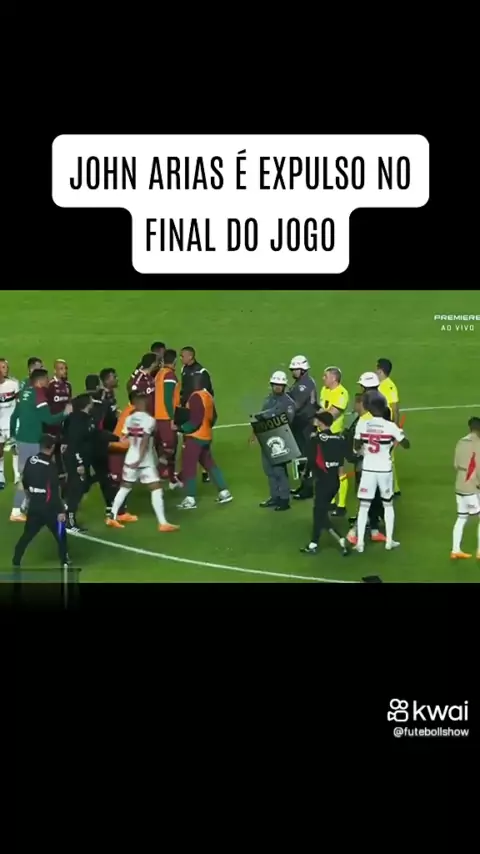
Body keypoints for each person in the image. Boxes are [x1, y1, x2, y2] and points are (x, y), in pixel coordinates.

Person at [107, 392, 179, 532]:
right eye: (145, 401)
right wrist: (140, 459)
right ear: (140, 403)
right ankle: (163, 523)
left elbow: (123, 437)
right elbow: (145, 441)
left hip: (130, 458)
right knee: (156, 488)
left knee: (125, 487)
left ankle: (112, 516)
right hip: (144, 461)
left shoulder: (129, 419)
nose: (147, 402)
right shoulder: (149, 420)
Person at [9, 369, 72, 521]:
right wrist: (65, 413)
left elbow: (14, 417)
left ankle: (26, 505)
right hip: (33, 441)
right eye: (46, 379)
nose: (48, 381)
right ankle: (17, 510)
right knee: (34, 474)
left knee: (29, 473)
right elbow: (49, 419)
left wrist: (13, 437)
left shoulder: (24, 393)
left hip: (22, 439)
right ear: (39, 381)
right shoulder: (39, 395)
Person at [353, 395, 410, 553]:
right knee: (388, 504)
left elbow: (356, 446)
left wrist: (365, 449)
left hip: (368, 469)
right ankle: (389, 541)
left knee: (364, 506)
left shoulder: (362, 424)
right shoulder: (390, 426)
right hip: (384, 470)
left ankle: (360, 543)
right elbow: (406, 445)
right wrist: (397, 436)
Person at [12, 434, 72, 571]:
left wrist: (29, 498)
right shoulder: (51, 467)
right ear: (52, 447)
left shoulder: (30, 460)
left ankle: (16, 559)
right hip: (49, 508)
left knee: (27, 535)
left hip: (35, 506)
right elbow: (54, 492)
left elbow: (25, 482)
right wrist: (61, 511)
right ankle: (64, 560)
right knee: (61, 533)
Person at [176, 373, 232, 510]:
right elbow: (214, 417)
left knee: (189, 466)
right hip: (206, 436)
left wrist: (181, 428)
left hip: (195, 437)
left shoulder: (195, 397)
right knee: (209, 464)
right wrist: (207, 428)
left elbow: (195, 420)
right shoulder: (208, 396)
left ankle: (190, 499)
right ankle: (224, 492)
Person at [299, 411, 349, 556]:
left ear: (321, 422)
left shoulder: (315, 439)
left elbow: (310, 459)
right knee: (320, 513)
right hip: (335, 483)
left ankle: (339, 540)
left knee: (319, 514)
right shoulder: (339, 439)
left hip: (322, 482)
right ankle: (314, 543)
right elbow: (347, 457)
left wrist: (305, 473)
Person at [344, 393, 387, 545]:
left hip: (366, 465)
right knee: (370, 499)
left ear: (361, 404)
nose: (354, 406)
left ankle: (369, 530)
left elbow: (358, 445)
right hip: (368, 465)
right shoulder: (364, 419)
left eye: (356, 403)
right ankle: (358, 531)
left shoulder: (364, 421)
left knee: (370, 499)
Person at [252, 370, 295, 511]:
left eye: (280, 385)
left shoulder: (288, 403)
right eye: (275, 384)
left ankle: (284, 499)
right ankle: (275, 496)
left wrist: (269, 417)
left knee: (279, 470)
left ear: (284, 386)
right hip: (266, 438)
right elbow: (260, 418)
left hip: (281, 440)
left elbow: (288, 421)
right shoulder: (268, 399)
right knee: (269, 470)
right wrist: (255, 433)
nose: (277, 387)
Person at [180, 346, 215, 483]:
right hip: (186, 409)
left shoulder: (201, 372)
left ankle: (205, 471)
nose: (181, 358)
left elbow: (208, 393)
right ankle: (186, 471)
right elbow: (184, 389)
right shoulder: (184, 370)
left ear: (190, 356)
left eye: (183, 356)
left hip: (199, 410)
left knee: (202, 441)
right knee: (188, 440)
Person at [319, 366, 349, 516]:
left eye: (325, 376)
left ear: (334, 378)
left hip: (335, 436)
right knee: (326, 469)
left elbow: (332, 415)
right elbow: (320, 410)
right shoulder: (324, 390)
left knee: (339, 470)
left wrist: (318, 419)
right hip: (322, 435)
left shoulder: (342, 393)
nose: (323, 378)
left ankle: (341, 505)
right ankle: (331, 501)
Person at [63, 394, 96, 532]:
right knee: (76, 489)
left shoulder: (83, 418)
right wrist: (79, 463)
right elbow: (74, 444)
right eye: (91, 400)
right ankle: (70, 522)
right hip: (76, 458)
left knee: (81, 486)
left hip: (81, 458)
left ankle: (66, 511)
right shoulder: (78, 421)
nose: (93, 402)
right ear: (86, 404)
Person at [287, 355, 318, 501]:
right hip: (301, 424)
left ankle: (307, 488)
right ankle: (304, 485)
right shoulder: (301, 383)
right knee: (301, 456)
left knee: (305, 457)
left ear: (303, 370)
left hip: (305, 425)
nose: (293, 372)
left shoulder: (303, 385)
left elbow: (296, 405)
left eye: (295, 369)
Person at [451, 416, 480, 560]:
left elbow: (455, 465)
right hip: (471, 486)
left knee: (461, 518)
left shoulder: (460, 442)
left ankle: (455, 550)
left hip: (459, 485)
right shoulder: (478, 444)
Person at [106, 395, 137, 525]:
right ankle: (115, 514)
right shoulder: (133, 413)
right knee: (118, 482)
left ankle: (120, 512)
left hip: (119, 448)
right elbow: (125, 437)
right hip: (116, 450)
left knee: (122, 481)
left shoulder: (131, 410)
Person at [155, 348, 181, 488]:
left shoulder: (160, 373)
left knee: (169, 448)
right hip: (166, 417)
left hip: (158, 416)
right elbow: (167, 398)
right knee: (169, 448)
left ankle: (172, 480)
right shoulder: (169, 375)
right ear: (175, 360)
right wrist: (172, 418)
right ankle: (157, 473)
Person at [45, 359, 73, 488]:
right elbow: (47, 405)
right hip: (52, 425)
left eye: (65, 368)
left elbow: (69, 403)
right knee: (51, 450)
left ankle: (62, 477)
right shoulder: (50, 386)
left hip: (65, 425)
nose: (64, 371)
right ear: (55, 370)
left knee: (62, 451)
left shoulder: (68, 386)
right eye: (61, 369)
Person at [376, 358, 401, 495]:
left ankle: (393, 489)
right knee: (386, 458)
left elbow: (395, 408)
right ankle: (393, 488)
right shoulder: (380, 385)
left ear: (381, 370)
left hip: (387, 427)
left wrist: (395, 430)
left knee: (388, 459)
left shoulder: (389, 386)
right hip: (380, 426)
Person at [0, 358, 20, 488]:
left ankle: (17, 475)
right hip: (0, 423)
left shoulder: (13, 383)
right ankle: (0, 475)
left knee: (15, 449)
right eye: (3, 367)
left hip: (12, 422)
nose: (6, 369)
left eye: (6, 367)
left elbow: (18, 402)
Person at [99, 368, 119, 432]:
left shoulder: (111, 393)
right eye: (114, 377)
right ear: (107, 380)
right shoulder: (102, 395)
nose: (117, 379)